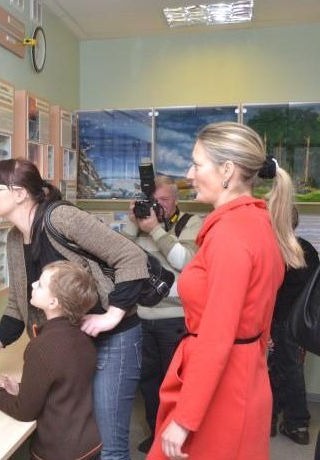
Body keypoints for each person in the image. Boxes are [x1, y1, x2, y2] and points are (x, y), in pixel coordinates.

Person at [0, 159, 149, 460]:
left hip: (114, 336)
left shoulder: (61, 218)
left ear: (21, 193)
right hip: (77, 342)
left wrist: (112, 315)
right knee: (78, 433)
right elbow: (18, 302)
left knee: (109, 444)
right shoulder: (14, 239)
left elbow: (131, 256)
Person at [147, 122, 305, 460]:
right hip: (243, 378)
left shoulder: (231, 234)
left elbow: (217, 336)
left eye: (197, 163)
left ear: (227, 170)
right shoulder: (258, 223)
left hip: (220, 394)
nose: (189, 173)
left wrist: (186, 418)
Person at [0, 260, 102, 460]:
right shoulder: (83, 337)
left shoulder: (41, 347)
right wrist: (23, 389)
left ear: (53, 303)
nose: (33, 285)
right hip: (90, 445)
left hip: (58, 452)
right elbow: (63, 388)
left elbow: (25, 412)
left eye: (40, 285)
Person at [121, 176, 203, 453]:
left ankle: (178, 436)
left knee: (176, 383)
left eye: (164, 200)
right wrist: (134, 220)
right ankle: (157, 434)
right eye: (153, 201)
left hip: (176, 319)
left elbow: (186, 262)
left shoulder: (191, 222)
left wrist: (155, 229)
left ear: (175, 200)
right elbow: (116, 254)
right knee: (149, 382)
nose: (158, 206)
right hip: (142, 317)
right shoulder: (140, 224)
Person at [269, 207, 319, 445]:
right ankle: (293, 424)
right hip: (301, 325)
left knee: (273, 372)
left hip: (279, 321)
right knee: (289, 372)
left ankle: (283, 423)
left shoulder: (275, 250)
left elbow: (268, 293)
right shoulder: (308, 250)